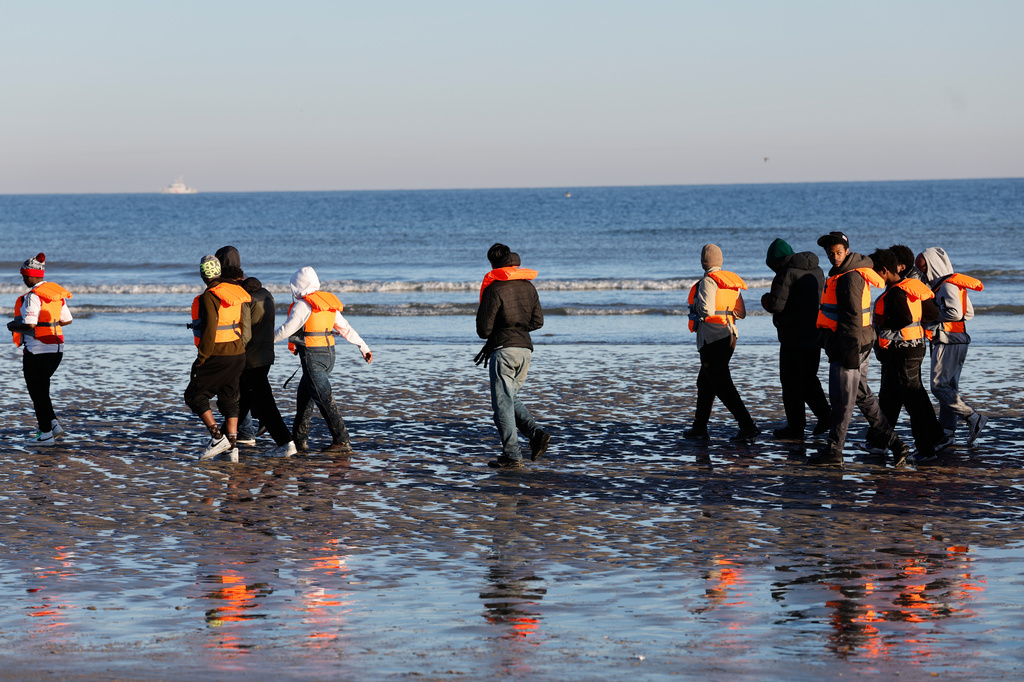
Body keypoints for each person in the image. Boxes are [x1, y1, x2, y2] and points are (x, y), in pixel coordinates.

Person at [809, 232, 910, 467]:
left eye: (838, 252)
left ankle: (834, 452)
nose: (834, 257)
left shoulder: (849, 278)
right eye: (830, 253)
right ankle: (896, 444)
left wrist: (849, 352)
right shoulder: (844, 272)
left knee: (842, 400)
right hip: (855, 344)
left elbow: (853, 318)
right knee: (863, 397)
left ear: (847, 251)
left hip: (850, 347)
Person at [273, 266, 372, 454]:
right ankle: (299, 440)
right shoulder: (326, 304)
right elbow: (345, 328)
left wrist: (263, 341)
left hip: (313, 357)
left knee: (325, 399)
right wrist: (363, 347)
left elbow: (287, 330)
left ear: (297, 286)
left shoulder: (304, 305)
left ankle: (341, 441)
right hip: (329, 356)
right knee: (305, 397)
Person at [215, 246, 297, 458]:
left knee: (262, 403)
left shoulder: (242, 295)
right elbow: (268, 327)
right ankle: (225, 444)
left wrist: (231, 354)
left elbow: (245, 333)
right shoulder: (266, 293)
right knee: (242, 403)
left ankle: (286, 443)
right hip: (265, 356)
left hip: (249, 359)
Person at [476, 243, 550, 469]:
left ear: (493, 264)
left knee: (503, 405)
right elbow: (538, 322)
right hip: (525, 351)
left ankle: (513, 456)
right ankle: (535, 436)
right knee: (508, 401)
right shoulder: (529, 288)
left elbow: (483, 330)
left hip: (503, 351)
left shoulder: (494, 288)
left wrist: (501, 330)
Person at [869, 248, 945, 462]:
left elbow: (902, 318)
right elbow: (932, 313)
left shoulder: (895, 292)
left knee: (913, 402)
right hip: (916, 347)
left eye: (875, 273)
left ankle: (925, 450)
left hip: (902, 351)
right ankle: (879, 442)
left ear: (884, 271)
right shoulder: (911, 287)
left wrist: (884, 322)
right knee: (894, 397)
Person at [684, 244, 759, 443]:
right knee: (705, 382)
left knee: (722, 384)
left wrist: (696, 307)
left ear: (703, 261)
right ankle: (699, 427)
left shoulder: (708, 281)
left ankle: (747, 425)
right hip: (730, 336)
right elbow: (741, 313)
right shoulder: (730, 281)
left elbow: (707, 310)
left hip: (712, 337)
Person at [760, 238, 830, 439]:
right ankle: (825, 415)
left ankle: (796, 427)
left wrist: (765, 299)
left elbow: (776, 305)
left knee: (790, 382)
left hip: (792, 336)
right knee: (809, 378)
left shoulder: (786, 273)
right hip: (815, 333)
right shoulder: (817, 270)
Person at [184, 255, 251, 462]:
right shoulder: (235, 292)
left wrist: (201, 358)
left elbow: (210, 331)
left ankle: (217, 437)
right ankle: (232, 447)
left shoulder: (209, 297)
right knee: (229, 398)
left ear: (203, 275)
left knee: (194, 396)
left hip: (218, 354)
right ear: (219, 273)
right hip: (238, 353)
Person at [917, 247, 987, 444]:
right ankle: (948, 432)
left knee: (939, 387)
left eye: (922, 268)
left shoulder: (946, 286)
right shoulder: (952, 285)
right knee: (950, 387)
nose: (922, 273)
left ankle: (974, 417)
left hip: (948, 340)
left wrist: (932, 320)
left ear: (931, 266)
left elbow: (955, 313)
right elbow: (968, 313)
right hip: (960, 339)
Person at [7, 253, 73, 446]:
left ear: (32, 275)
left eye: (24, 276)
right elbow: (67, 319)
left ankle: (45, 436)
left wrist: (13, 326)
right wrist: (48, 322)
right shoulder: (55, 295)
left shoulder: (33, 297)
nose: (23, 279)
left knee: (37, 393)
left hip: (37, 351)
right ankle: (53, 425)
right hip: (57, 350)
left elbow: (29, 324)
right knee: (42, 391)